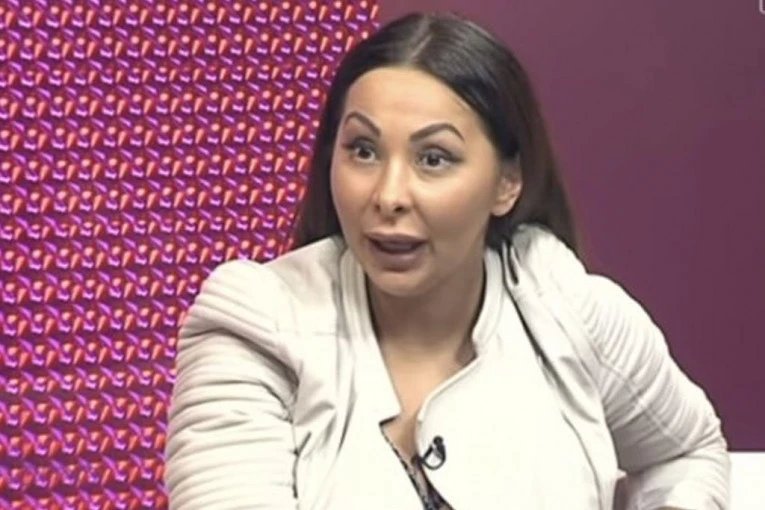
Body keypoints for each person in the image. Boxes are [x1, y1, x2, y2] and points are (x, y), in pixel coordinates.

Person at [164, 12, 729, 510]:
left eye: (434, 158)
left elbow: (686, 452)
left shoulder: (566, 305)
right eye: (363, 150)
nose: (388, 195)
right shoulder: (255, 324)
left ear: (507, 182)